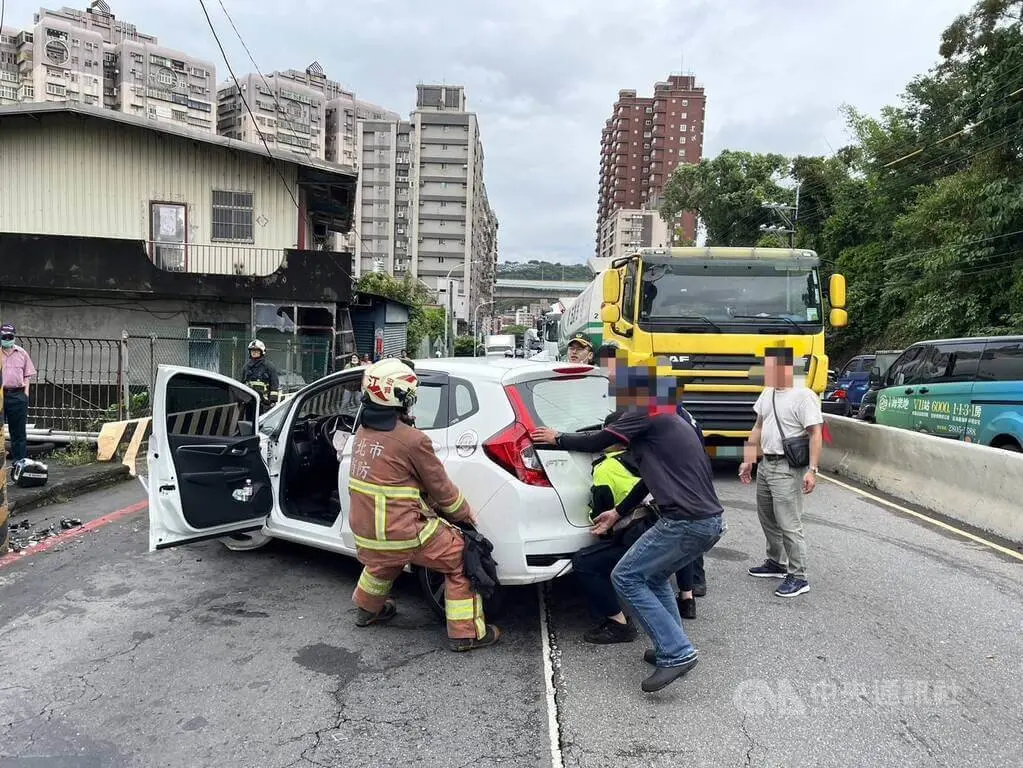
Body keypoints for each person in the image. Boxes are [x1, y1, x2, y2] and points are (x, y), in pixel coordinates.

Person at [532, 366, 724, 693]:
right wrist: (617, 512)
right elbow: (650, 479)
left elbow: (599, 439)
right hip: (704, 522)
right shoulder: (667, 422)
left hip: (686, 523)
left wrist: (557, 438)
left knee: (626, 576)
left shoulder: (646, 412)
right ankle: (670, 646)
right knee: (653, 576)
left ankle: (677, 652)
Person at [348, 358, 500, 652]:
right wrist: (464, 516)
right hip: (400, 533)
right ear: (402, 399)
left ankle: (367, 610)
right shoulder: (412, 440)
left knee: (385, 559)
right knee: (461, 558)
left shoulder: (362, 435)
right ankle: (467, 634)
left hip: (367, 535)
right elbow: (441, 489)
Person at [739, 347, 823, 599]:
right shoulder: (768, 393)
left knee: (789, 523)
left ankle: (798, 576)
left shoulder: (803, 396)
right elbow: (758, 426)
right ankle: (776, 562)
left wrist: (813, 470)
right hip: (767, 464)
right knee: (767, 517)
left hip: (788, 467)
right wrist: (748, 459)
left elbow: (815, 433)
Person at [1, 325, 37, 463]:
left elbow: (27, 375)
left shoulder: (21, 353)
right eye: (4, 337)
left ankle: (19, 463)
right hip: (0, 394)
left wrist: (25, 393)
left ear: (14, 337)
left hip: (18, 395)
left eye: (10, 337)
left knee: (18, 433)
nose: (7, 340)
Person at [240, 339, 280, 408]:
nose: (254, 353)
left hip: (265, 403)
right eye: (252, 351)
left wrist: (273, 401)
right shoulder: (246, 367)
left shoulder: (269, 366)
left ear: (262, 352)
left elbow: (274, 384)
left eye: (256, 351)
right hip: (249, 402)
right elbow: (242, 383)